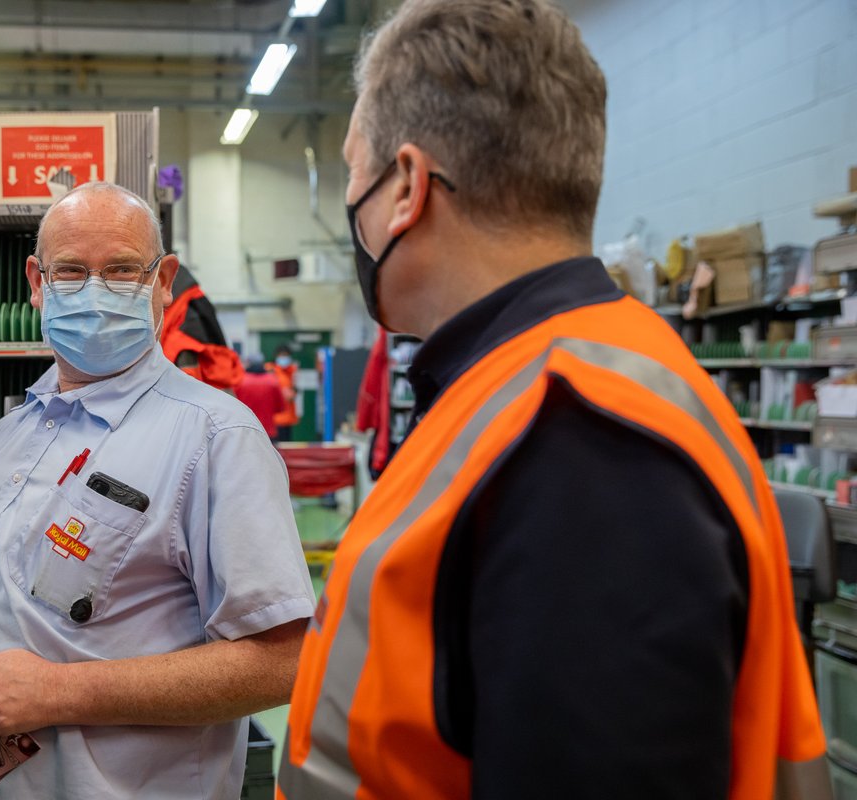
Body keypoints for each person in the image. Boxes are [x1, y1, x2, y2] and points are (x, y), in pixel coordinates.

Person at [279, 2, 827, 799]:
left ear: (406, 186)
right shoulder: (518, 391)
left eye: (353, 172)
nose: (351, 205)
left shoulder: (578, 442)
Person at [0, 183, 315, 800]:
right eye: (70, 270)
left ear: (163, 280)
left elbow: (282, 662)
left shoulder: (214, 436)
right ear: (37, 282)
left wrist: (59, 692)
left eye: (121, 269)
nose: (94, 291)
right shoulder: (11, 432)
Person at [235, 358, 284, 440]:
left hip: (245, 430)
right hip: (267, 430)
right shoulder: (272, 381)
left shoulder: (240, 381)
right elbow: (280, 407)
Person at [266, 345, 299, 441]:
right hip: (276, 418)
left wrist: (294, 391)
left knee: (286, 447)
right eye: (282, 355)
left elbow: (293, 389)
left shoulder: (291, 371)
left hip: (288, 417)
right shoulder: (270, 371)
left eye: (286, 355)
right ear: (276, 356)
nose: (284, 358)